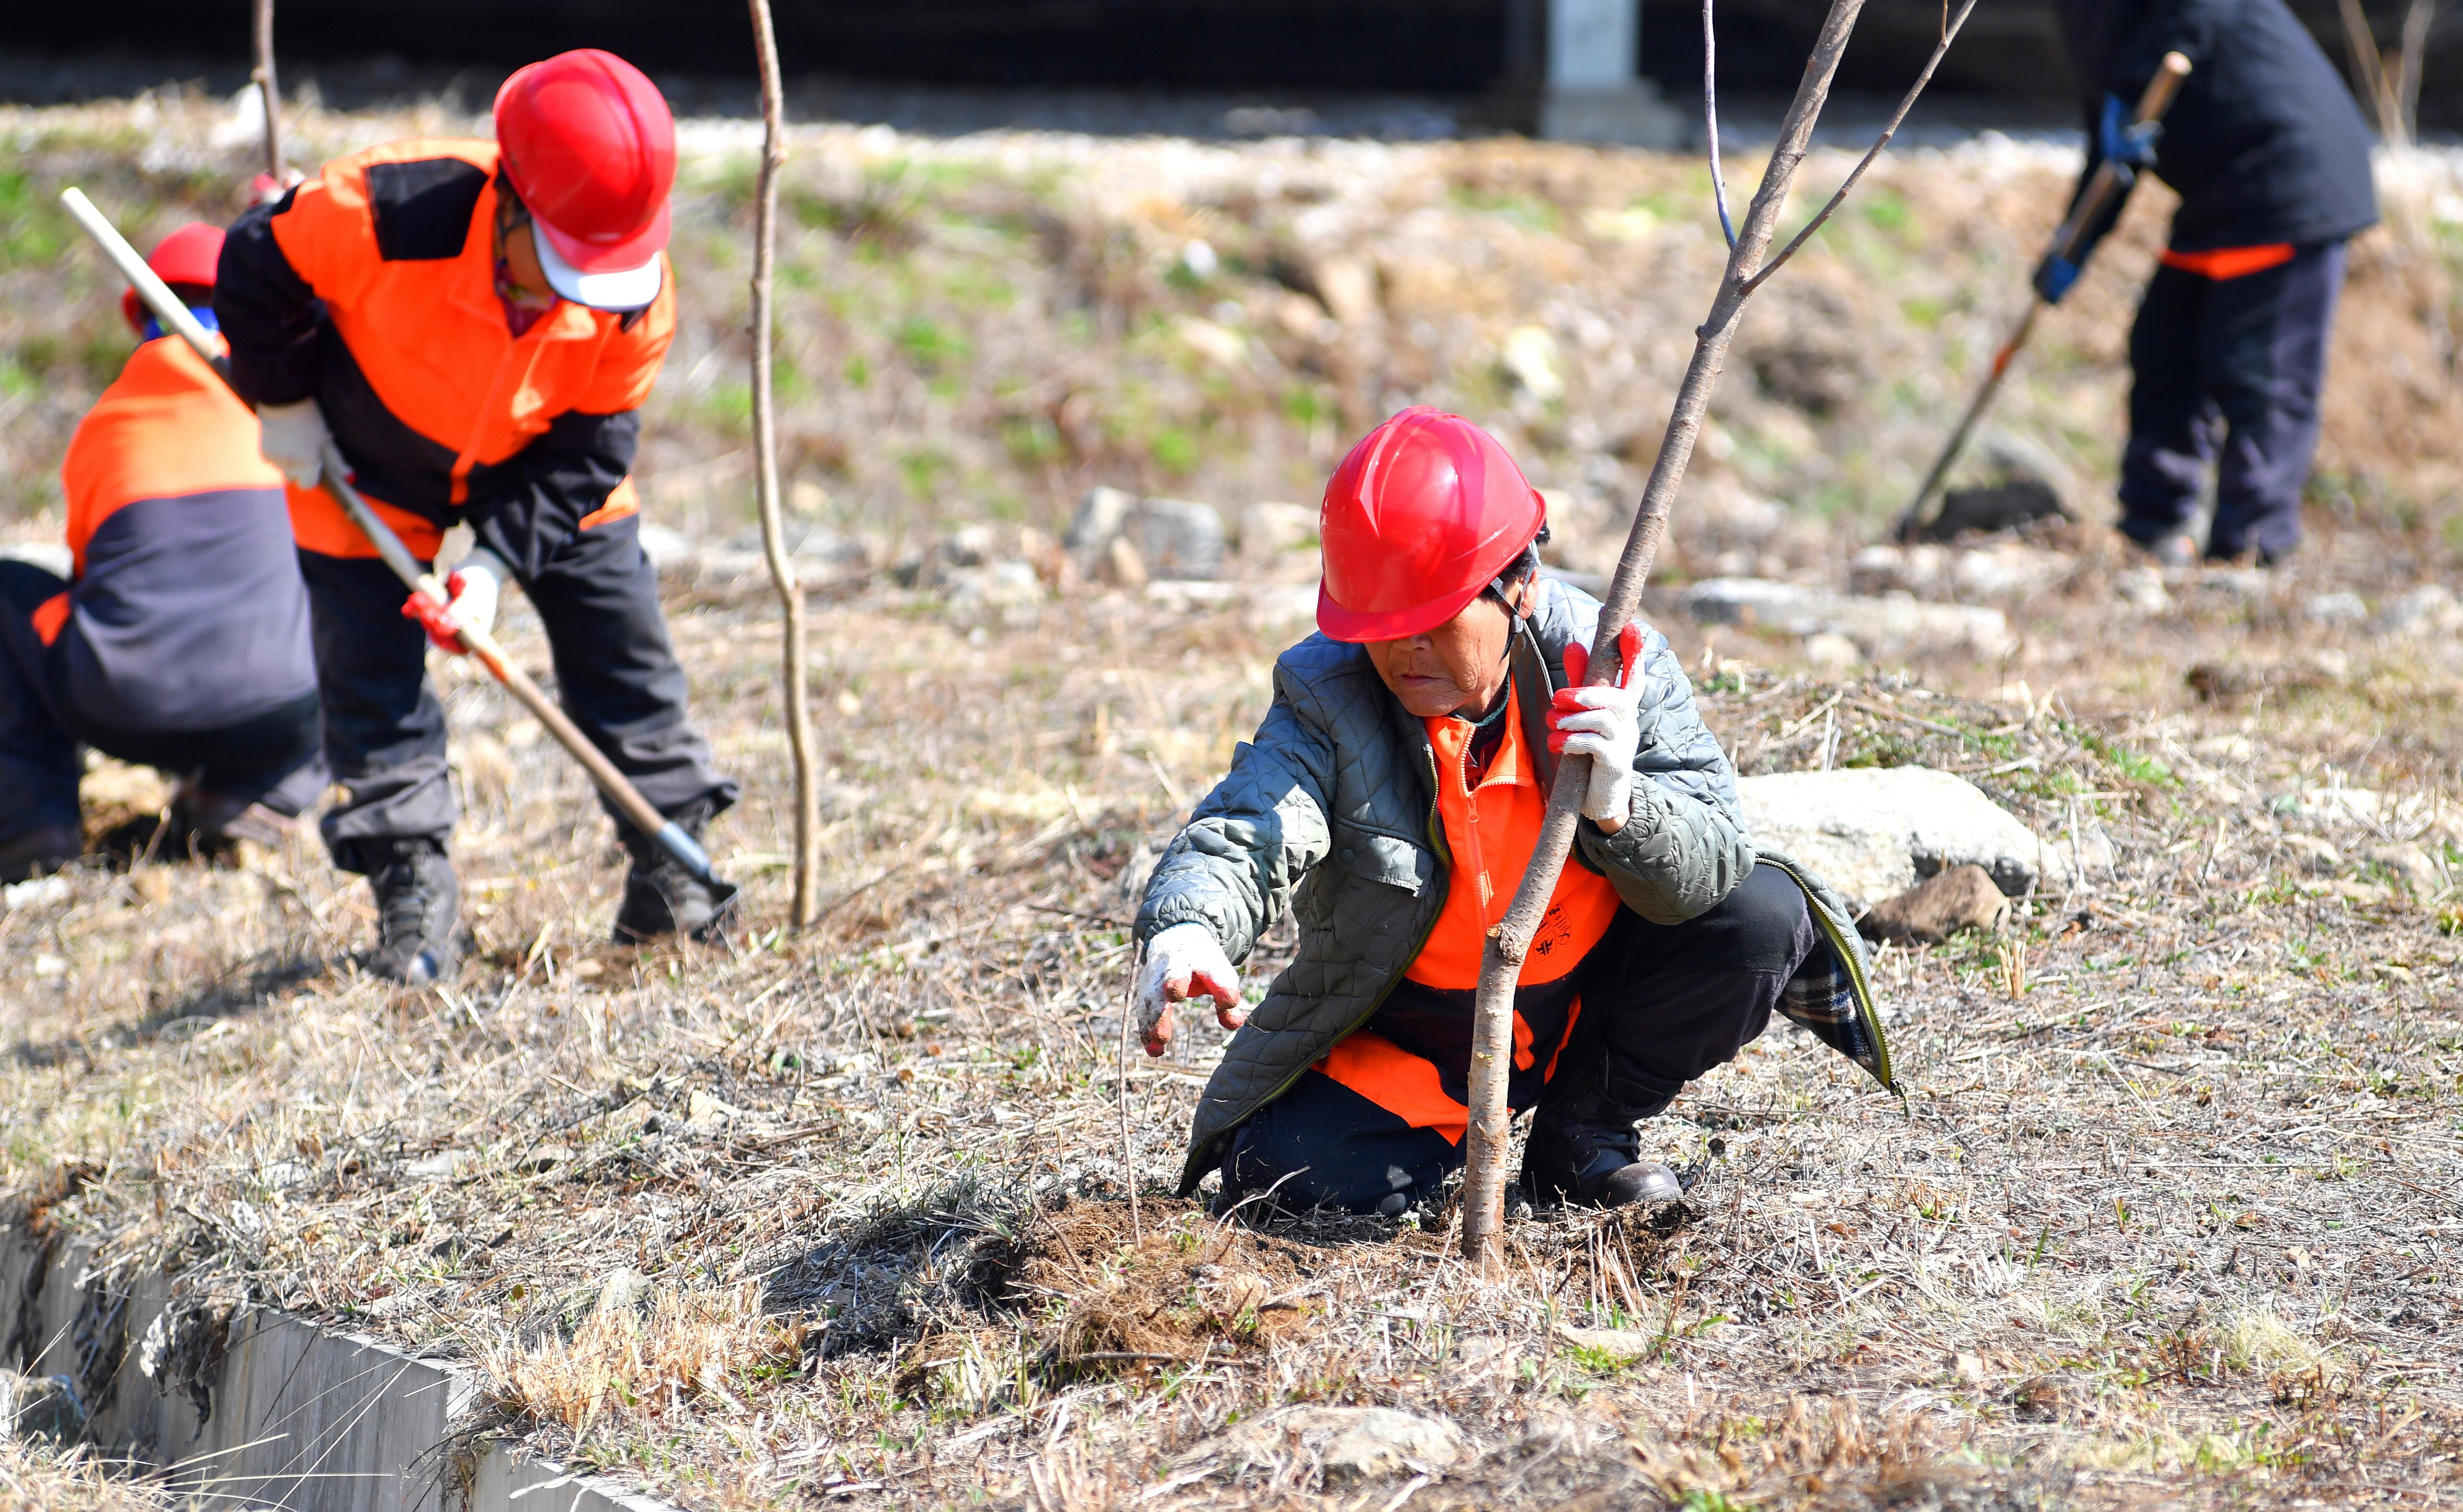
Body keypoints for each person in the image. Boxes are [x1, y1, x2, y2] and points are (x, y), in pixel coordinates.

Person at [1128, 409, 1892, 1216]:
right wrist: (1191, 925)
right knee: (1282, 1180)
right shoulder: (1330, 693)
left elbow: (1711, 865)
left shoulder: (1609, 665)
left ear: (1520, 585)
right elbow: (1253, 823)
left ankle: (1584, 1138)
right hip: (1421, 1028)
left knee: (1758, 916)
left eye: (1434, 621)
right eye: (1383, 628)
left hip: (1591, 988)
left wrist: (1622, 809)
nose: (1405, 651)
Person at [215, 48, 738, 982]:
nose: (567, 300)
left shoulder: (634, 296)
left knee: (627, 652)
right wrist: (283, 398)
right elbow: (256, 262)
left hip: (538, 465)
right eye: (559, 269)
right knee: (370, 680)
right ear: (513, 203)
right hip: (365, 457)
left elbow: (592, 452)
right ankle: (413, 893)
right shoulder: (385, 209)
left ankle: (674, 867)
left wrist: (493, 568)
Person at [0, 224, 324, 884]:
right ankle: (255, 796)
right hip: (284, 706)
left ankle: (33, 825)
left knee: (9, 591)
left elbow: (92, 575)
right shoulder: (295, 399)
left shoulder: (109, 421)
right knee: (344, 588)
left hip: (126, 707)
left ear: (141, 313)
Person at [2041, 0, 2378, 568]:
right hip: (2219, 192)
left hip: (2288, 172)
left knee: (2259, 374)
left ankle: (2252, 552)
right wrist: (2072, 245)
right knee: (2165, 349)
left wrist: (2135, 78)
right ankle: (2152, 531)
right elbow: (2114, 136)